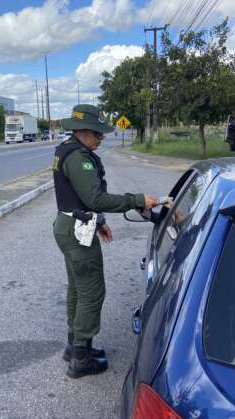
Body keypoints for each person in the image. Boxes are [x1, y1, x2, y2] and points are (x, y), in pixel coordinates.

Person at [53, 104, 158, 379]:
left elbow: (80, 198)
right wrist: (136, 200)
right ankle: (81, 358)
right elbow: (94, 198)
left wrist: (97, 221)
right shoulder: (79, 157)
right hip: (76, 229)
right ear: (83, 131)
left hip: (72, 224)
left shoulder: (68, 149)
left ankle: (74, 347)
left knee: (77, 288)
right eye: (98, 134)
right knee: (91, 291)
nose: (101, 138)